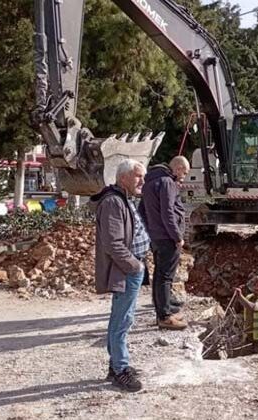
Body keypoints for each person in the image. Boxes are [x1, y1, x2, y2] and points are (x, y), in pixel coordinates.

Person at [90, 159, 149, 392]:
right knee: (122, 321)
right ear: (123, 177)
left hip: (131, 269)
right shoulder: (113, 202)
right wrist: (134, 265)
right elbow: (113, 243)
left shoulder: (122, 198)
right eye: (138, 176)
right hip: (126, 270)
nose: (142, 181)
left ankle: (116, 365)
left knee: (121, 318)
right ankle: (120, 370)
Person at [140, 156, 190, 330]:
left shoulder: (150, 181)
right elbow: (168, 213)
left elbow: (142, 211)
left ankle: (164, 308)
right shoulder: (167, 182)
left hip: (156, 236)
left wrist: (151, 231)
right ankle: (165, 316)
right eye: (184, 172)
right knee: (165, 276)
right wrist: (177, 236)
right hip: (167, 237)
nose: (184, 176)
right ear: (177, 168)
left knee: (160, 276)